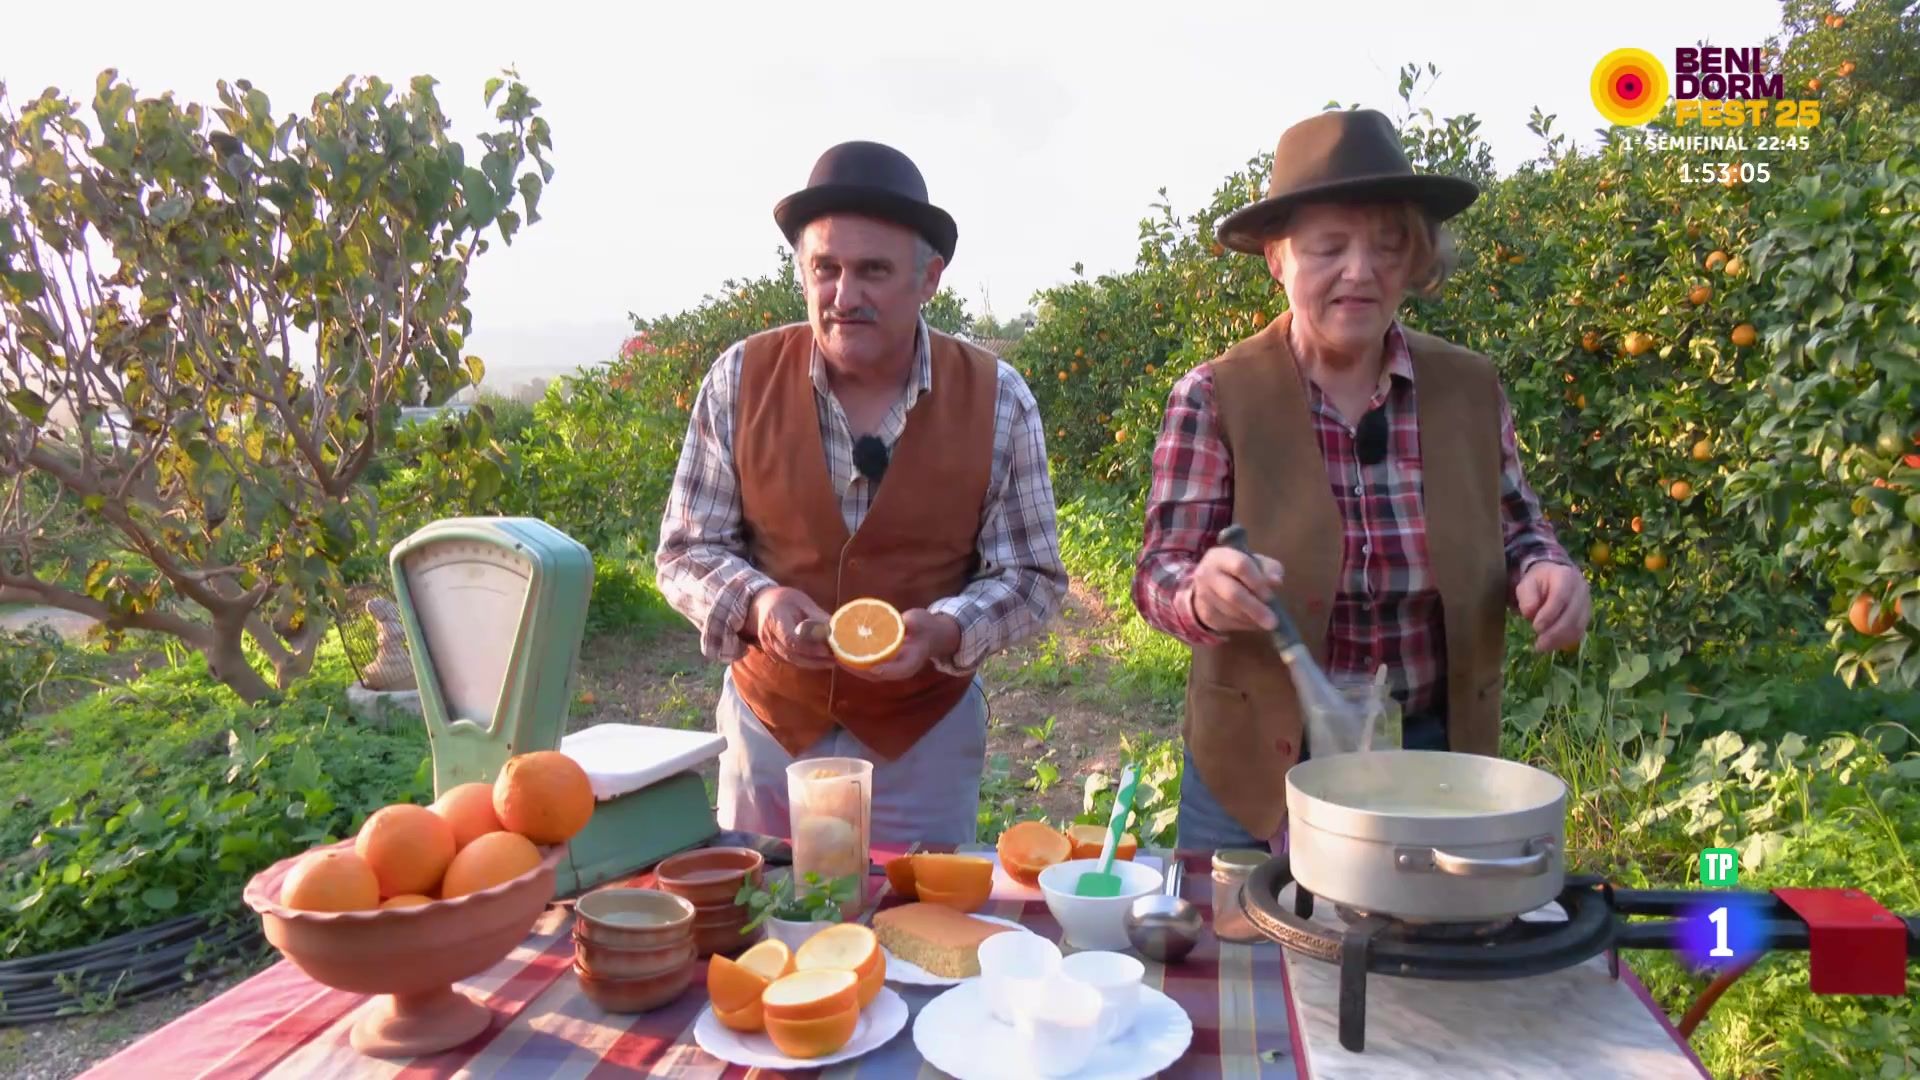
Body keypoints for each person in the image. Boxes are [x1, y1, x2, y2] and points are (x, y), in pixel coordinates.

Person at [1131, 109, 1591, 853]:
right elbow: (1160, 568)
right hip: (1258, 763)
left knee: (1419, 925)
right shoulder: (1216, 396)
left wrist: (1546, 570)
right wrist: (1199, 594)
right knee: (1245, 928)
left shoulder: (1468, 388)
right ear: (1278, 259)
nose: (1360, 270)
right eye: (1329, 247)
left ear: (1415, 258)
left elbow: (1517, 527)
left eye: (1387, 245)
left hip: (1434, 756)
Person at [656, 141, 1067, 847]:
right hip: (770, 734)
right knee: (765, 911)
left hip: (922, 740)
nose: (844, 297)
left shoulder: (998, 400)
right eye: (826, 269)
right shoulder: (738, 381)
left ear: (928, 278)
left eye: (873, 270)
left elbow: (1031, 576)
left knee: (919, 911)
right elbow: (686, 551)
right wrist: (759, 604)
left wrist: (946, 630)